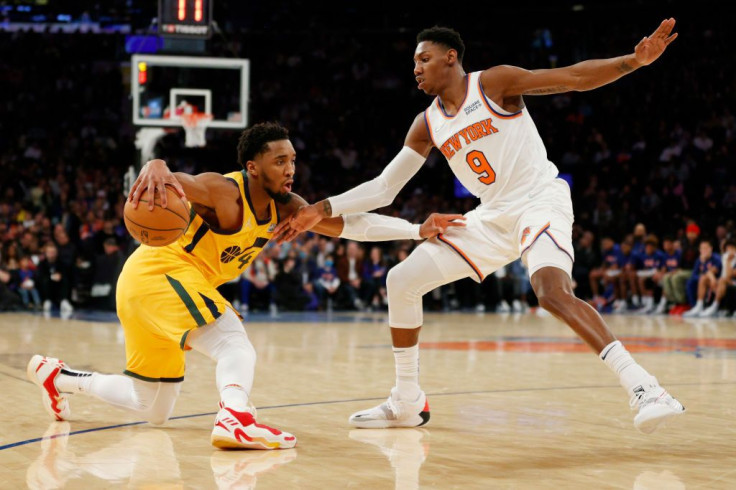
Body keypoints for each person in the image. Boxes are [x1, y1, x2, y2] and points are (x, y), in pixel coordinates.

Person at [276, 21, 684, 433]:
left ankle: (645, 387)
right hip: (491, 214)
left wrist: (633, 61)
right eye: (414, 63)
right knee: (401, 280)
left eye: (424, 59)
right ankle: (407, 401)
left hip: (538, 198)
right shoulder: (426, 123)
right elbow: (384, 188)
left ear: (450, 57)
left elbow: (573, 78)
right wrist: (321, 208)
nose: (416, 69)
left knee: (551, 292)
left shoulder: (493, 83)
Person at [27, 122, 464, 450]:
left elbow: (352, 225)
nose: (291, 168)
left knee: (151, 407)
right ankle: (236, 417)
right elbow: (178, 181)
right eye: (280, 161)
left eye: (293, 159)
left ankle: (58, 377)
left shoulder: (287, 207)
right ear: (253, 167)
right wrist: (156, 162)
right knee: (233, 343)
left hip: (144, 287)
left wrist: (413, 229)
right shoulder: (223, 192)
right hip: (161, 271)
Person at [682, 239, 722, 317]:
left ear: (711, 248)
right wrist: (701, 276)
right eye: (702, 248)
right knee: (690, 282)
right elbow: (694, 274)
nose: (704, 250)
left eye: (706, 248)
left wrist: (704, 264)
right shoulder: (699, 260)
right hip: (705, 280)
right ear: (699, 250)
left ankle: (704, 306)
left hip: (716, 280)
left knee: (703, 279)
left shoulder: (716, 258)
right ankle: (696, 306)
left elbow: (714, 271)